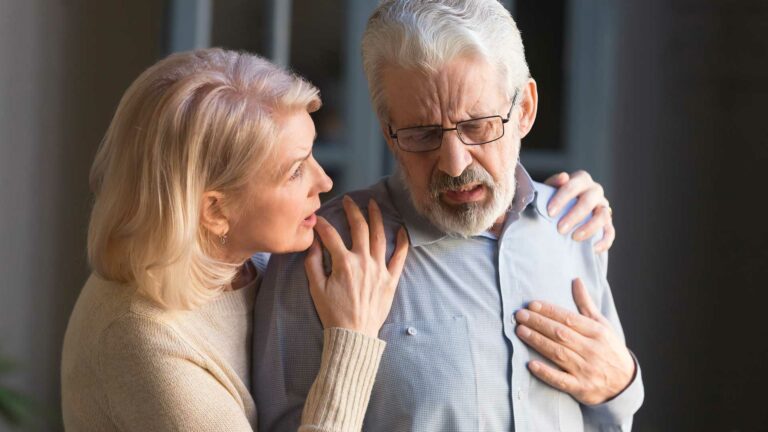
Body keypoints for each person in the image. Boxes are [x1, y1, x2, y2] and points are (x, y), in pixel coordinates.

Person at [59, 48, 609, 431]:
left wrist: (543, 199)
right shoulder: (142, 343)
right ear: (214, 210)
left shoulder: (237, 257)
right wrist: (351, 338)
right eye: (294, 170)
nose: (324, 183)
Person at [252, 1, 643, 431]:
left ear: (525, 110)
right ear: (389, 132)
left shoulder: (576, 224)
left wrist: (621, 386)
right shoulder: (324, 254)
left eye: (478, 126)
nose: (454, 165)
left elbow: (609, 416)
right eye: (423, 134)